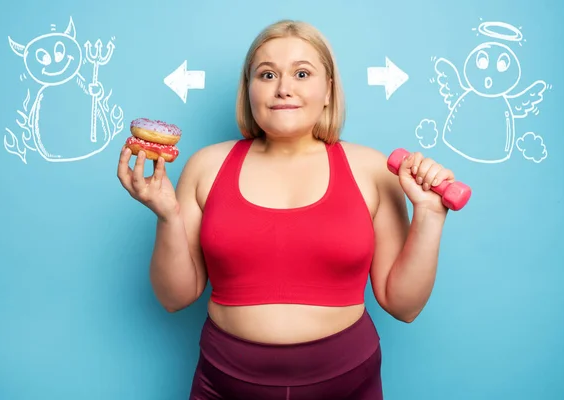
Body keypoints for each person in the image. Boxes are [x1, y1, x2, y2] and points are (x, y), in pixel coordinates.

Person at [117, 19, 455, 400]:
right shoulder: (205, 166)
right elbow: (173, 297)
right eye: (266, 74)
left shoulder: (372, 169)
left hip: (348, 384)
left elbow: (403, 305)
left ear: (328, 90)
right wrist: (167, 215)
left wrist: (429, 213)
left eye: (302, 73)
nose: (283, 88)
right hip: (224, 384)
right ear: (249, 90)